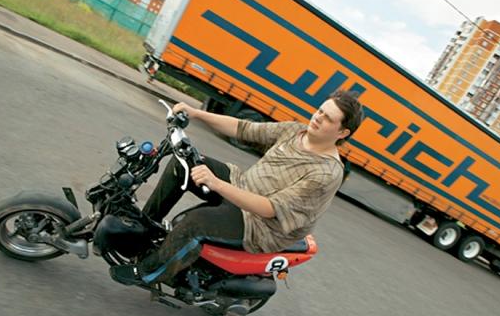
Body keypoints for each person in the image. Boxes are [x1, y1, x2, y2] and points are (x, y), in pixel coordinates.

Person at [109, 90, 364, 286]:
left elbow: (270, 208)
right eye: (320, 111)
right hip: (242, 184)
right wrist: (196, 114)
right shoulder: (296, 131)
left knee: (195, 224)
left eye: (328, 119)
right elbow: (243, 128)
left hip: (261, 226)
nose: (318, 118)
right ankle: (142, 231)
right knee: (182, 164)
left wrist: (216, 183)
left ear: (342, 132)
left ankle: (147, 272)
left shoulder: (326, 173)